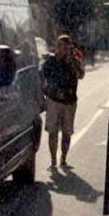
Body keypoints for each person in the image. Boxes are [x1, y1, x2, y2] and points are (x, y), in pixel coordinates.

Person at [41, 35, 84, 168]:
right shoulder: (51, 61)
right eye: (58, 45)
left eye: (63, 46)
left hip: (69, 101)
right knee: (52, 131)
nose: (60, 48)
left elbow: (81, 75)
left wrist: (72, 61)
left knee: (67, 131)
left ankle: (63, 158)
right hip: (54, 100)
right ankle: (53, 160)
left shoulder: (74, 62)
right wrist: (45, 90)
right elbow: (42, 74)